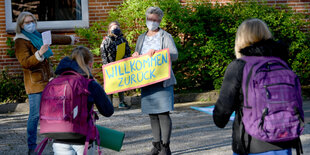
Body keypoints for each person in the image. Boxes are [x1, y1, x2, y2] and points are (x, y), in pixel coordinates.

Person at [213, 18, 300, 155]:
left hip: (251, 143)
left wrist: (219, 118)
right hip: (284, 139)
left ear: (241, 39)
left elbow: (222, 112)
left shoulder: (239, 66)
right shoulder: (281, 62)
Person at [14, 11, 77, 155]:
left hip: (48, 80)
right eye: (27, 22)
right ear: (21, 25)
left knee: (51, 112)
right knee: (35, 115)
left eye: (32, 21)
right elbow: (25, 63)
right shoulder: (20, 41)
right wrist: (40, 53)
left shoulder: (36, 35)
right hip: (35, 83)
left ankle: (55, 141)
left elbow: (53, 39)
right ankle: (31, 146)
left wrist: (71, 39)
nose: (30, 25)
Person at [132, 6, 178, 155]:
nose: (152, 22)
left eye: (155, 19)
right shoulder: (141, 37)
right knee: (152, 114)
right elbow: (138, 56)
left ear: (160, 20)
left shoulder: (165, 36)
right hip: (147, 81)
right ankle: (156, 144)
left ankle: (165, 146)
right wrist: (135, 55)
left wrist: (158, 54)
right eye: (149, 19)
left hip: (162, 80)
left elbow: (174, 55)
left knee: (163, 113)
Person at [52, 46, 114, 155]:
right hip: (82, 139)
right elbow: (108, 111)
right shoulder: (90, 84)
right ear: (90, 63)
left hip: (58, 137)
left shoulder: (56, 81)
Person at [100, 21, 131, 109]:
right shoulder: (106, 40)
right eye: (113, 28)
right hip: (110, 66)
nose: (116, 29)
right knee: (110, 84)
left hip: (120, 65)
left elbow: (128, 51)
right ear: (109, 29)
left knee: (121, 83)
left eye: (117, 27)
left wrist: (125, 59)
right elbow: (103, 54)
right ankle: (110, 103)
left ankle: (121, 101)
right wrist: (106, 65)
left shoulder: (122, 39)